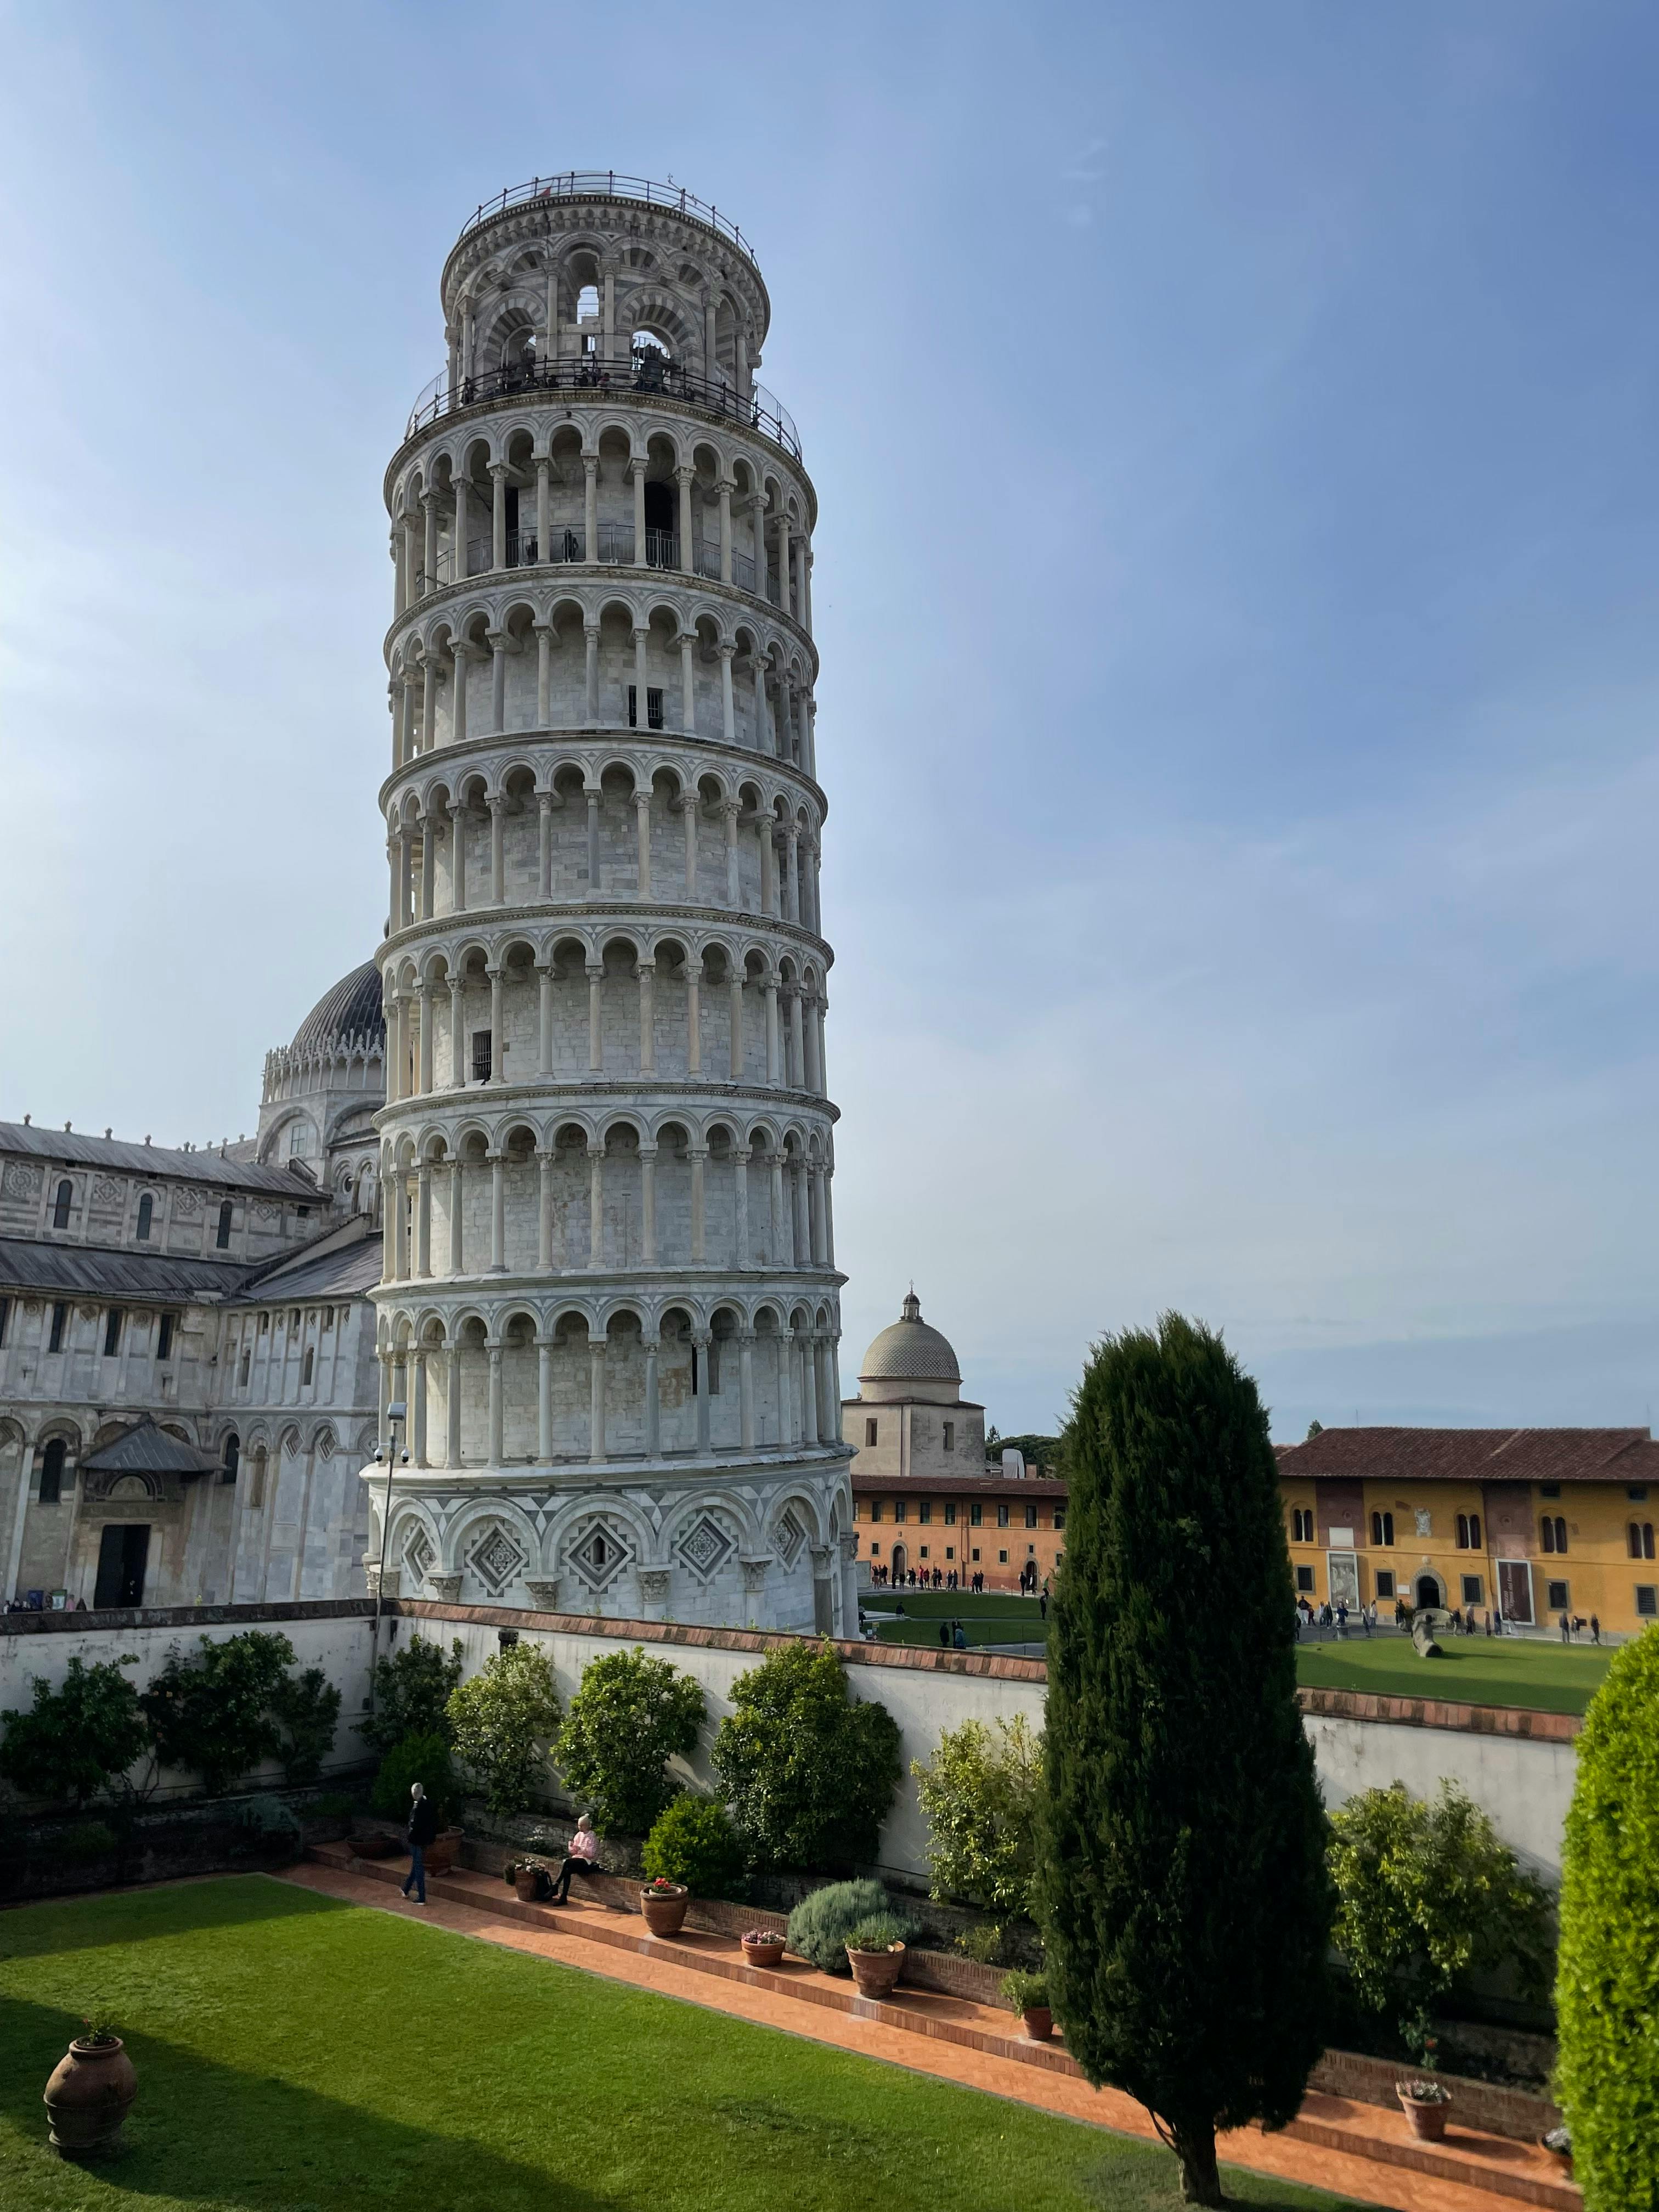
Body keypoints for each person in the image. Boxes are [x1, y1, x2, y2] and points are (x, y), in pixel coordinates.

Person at [549, 1813, 602, 1904]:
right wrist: (572, 1847)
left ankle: (555, 1885)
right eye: (579, 1825)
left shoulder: (592, 1836)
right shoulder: (578, 1835)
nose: (580, 1828)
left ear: (588, 1826)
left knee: (566, 1861)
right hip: (577, 1860)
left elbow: (591, 1854)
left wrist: (581, 1849)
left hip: (587, 1862)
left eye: (582, 1826)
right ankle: (563, 1897)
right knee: (567, 1871)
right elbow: (573, 1852)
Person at [402, 1781, 439, 1904]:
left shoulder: (417, 1808)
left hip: (417, 1841)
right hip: (425, 1840)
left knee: (418, 1868)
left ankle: (422, 1897)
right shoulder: (428, 1805)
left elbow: (414, 1826)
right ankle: (406, 1888)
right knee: (417, 1865)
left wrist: (410, 1838)